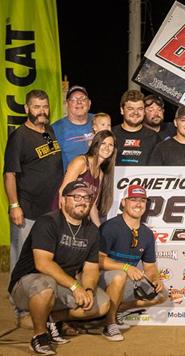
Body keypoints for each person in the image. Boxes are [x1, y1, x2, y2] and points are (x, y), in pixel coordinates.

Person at [8, 181, 110, 355]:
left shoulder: (92, 231)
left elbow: (91, 269)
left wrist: (87, 289)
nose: (82, 201)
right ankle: (39, 336)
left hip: (62, 285)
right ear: (63, 200)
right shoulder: (48, 222)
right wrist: (75, 286)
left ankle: (51, 318)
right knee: (45, 285)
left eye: (86, 197)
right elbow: (43, 264)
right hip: (29, 284)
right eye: (76, 196)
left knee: (102, 304)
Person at [4, 89, 63, 273]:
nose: (42, 111)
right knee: (22, 255)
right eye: (36, 107)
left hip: (51, 209)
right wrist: (14, 206)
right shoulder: (19, 136)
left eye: (45, 106)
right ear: (26, 108)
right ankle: (17, 298)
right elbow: (9, 174)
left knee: (46, 255)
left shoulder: (48, 130)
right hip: (28, 210)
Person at [99, 184, 166, 341]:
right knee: (119, 276)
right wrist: (125, 267)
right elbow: (97, 260)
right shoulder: (110, 227)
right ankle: (109, 324)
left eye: (142, 200)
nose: (138, 204)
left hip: (126, 280)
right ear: (123, 202)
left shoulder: (147, 234)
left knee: (161, 295)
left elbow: (149, 267)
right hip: (103, 280)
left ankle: (115, 311)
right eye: (133, 199)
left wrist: (155, 278)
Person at [52, 130, 116, 226]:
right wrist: (64, 221)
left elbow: (92, 205)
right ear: (95, 145)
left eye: (111, 145)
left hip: (78, 221)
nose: (107, 147)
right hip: (61, 217)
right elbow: (62, 192)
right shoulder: (81, 162)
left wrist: (99, 228)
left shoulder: (101, 174)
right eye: (103, 143)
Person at [112, 90, 160, 166]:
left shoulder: (154, 137)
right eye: (130, 109)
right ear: (122, 110)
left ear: (144, 111)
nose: (136, 112)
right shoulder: (111, 134)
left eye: (140, 109)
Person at [52, 85, 94, 170]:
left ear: (89, 103)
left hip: (97, 180)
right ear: (66, 104)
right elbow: (50, 159)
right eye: (74, 99)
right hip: (70, 181)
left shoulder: (100, 121)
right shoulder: (54, 129)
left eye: (83, 98)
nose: (79, 102)